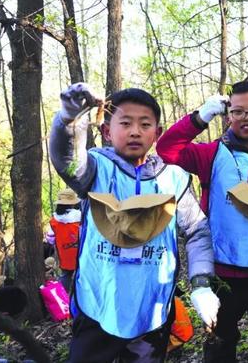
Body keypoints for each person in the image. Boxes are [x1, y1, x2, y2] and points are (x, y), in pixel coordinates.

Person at [49, 85, 216, 363]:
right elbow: (66, 161)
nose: (135, 131)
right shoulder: (95, 168)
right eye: (125, 123)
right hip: (97, 303)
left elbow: (197, 230)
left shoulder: (172, 178)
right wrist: (68, 119)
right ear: (106, 131)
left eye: (145, 124)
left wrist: (201, 283)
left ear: (157, 133)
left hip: (152, 307)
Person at [157, 80, 248, 363]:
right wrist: (200, 116)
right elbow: (167, 149)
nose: (247, 118)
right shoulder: (211, 153)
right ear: (228, 114)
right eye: (239, 111)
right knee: (220, 343)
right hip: (222, 272)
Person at [46, 189, 82, 292]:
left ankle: (63, 296)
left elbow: (50, 239)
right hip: (80, 252)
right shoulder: (81, 216)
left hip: (64, 254)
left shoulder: (55, 220)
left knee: (66, 275)